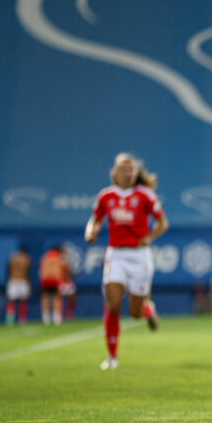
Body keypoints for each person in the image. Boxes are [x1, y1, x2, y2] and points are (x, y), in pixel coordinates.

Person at [84, 153, 168, 370]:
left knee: (135, 313)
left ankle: (148, 310)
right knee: (112, 305)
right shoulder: (106, 196)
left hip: (139, 256)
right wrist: (91, 231)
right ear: (115, 172)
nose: (126, 173)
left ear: (135, 173)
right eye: (122, 169)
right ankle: (112, 357)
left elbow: (162, 223)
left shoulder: (145, 195)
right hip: (116, 254)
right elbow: (95, 218)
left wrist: (148, 237)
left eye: (130, 169)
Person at [38, 244, 64, 325]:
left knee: (45, 298)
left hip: (45, 279)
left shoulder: (44, 258)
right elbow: (61, 270)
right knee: (57, 298)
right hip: (55, 280)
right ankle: (57, 318)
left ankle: (46, 318)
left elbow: (40, 271)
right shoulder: (59, 258)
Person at [5, 247, 31, 325]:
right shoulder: (27, 259)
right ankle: (21, 319)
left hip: (13, 281)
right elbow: (28, 272)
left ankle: (9, 320)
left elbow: (8, 270)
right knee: (23, 301)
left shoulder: (12, 258)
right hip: (23, 281)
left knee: (11, 300)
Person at [58, 244, 77, 321]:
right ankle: (60, 314)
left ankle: (69, 313)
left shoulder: (68, 260)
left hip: (68, 282)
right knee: (60, 299)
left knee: (72, 298)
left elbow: (70, 271)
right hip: (61, 282)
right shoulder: (58, 260)